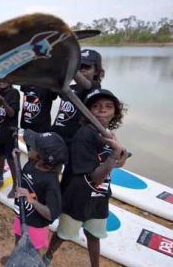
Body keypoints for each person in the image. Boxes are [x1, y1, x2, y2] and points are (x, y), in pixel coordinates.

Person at [43, 89, 127, 267]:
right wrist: (114, 155)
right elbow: (95, 177)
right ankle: (47, 257)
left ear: (116, 112)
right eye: (95, 106)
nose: (102, 110)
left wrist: (121, 152)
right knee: (63, 234)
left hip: (99, 198)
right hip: (77, 198)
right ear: (87, 111)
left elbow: (119, 162)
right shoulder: (84, 135)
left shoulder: (107, 133)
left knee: (94, 235)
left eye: (108, 106)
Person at [5, 130, 67, 262]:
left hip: (35, 227)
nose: (29, 147)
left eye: (33, 147)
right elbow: (25, 180)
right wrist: (16, 161)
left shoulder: (51, 183)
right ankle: (17, 259)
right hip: (21, 216)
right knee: (18, 244)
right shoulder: (32, 163)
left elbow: (51, 214)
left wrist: (31, 200)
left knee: (31, 255)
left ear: (41, 156)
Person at [51, 49, 104, 143]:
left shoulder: (95, 88)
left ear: (96, 71)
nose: (82, 70)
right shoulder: (68, 88)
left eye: (87, 67)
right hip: (56, 135)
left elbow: (86, 84)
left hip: (73, 140)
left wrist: (71, 66)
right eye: (79, 66)